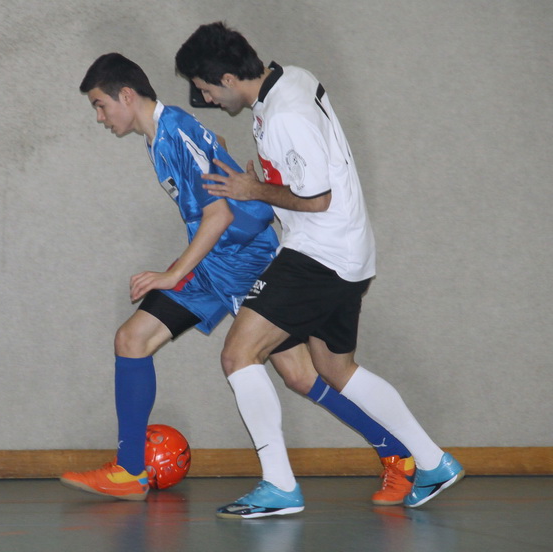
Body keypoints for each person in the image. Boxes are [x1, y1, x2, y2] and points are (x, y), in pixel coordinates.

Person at [60, 53, 416, 505]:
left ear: (126, 95)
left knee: (301, 375)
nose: (100, 116)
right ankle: (130, 470)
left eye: (100, 105)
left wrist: (172, 273)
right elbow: (215, 154)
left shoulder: (174, 130)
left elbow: (220, 215)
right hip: (212, 267)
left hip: (246, 263)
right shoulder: (161, 135)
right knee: (132, 340)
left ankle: (398, 454)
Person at [175, 22, 464, 516]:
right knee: (336, 369)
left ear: (227, 78)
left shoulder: (285, 114)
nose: (206, 99)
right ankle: (433, 461)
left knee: (238, 354)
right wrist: (263, 184)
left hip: (320, 254)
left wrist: (254, 190)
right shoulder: (291, 77)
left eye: (206, 89)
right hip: (346, 251)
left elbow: (317, 198)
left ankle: (279, 486)